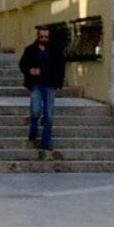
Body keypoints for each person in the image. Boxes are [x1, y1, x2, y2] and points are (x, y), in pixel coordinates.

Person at [18, 25, 68, 155]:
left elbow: (61, 67)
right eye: (41, 36)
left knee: (49, 115)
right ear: (38, 36)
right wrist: (30, 70)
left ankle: (46, 142)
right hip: (36, 85)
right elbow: (22, 64)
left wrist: (57, 81)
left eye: (46, 37)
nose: (44, 39)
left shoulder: (56, 51)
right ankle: (33, 128)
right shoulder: (30, 50)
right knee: (35, 110)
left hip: (50, 86)